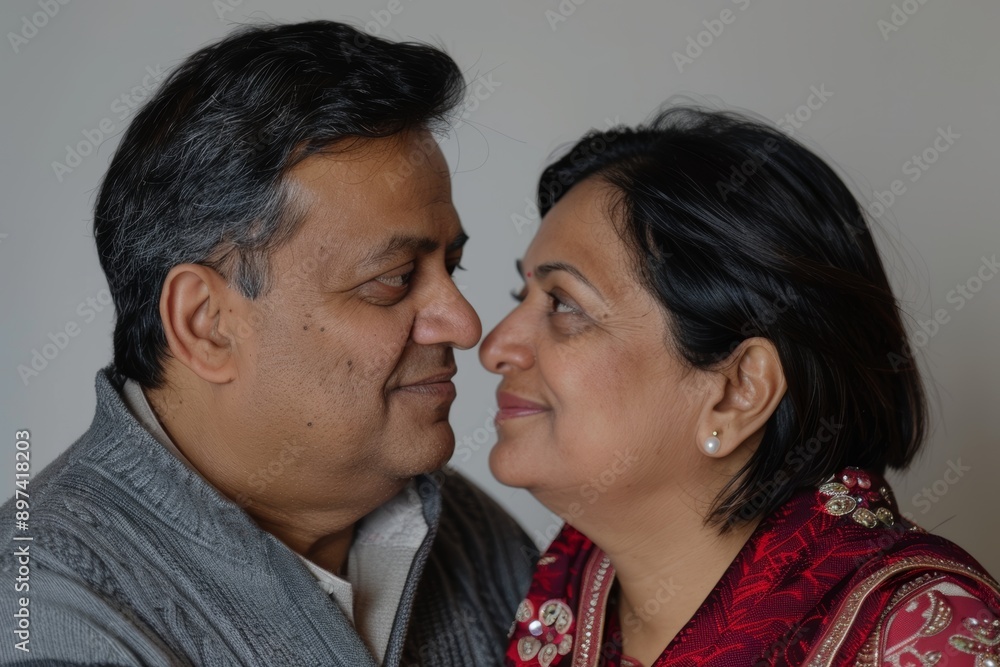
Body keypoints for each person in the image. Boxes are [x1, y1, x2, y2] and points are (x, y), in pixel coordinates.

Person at [0, 21, 534, 666]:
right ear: (206, 324)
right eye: (393, 280)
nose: (465, 324)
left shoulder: (467, 531)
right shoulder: (48, 611)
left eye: (452, 267)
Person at [481, 106, 1000, 667]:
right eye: (522, 298)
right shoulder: (543, 582)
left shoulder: (922, 638)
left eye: (564, 304)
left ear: (737, 392)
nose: (495, 347)